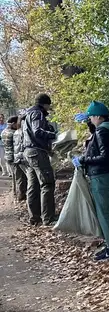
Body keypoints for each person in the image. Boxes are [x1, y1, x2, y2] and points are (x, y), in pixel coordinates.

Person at [73, 101, 109, 261]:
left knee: (104, 213)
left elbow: (104, 156)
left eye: (91, 117)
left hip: (100, 175)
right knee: (108, 211)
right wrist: (88, 120)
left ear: (99, 117)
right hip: (107, 174)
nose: (90, 119)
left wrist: (84, 159)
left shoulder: (102, 131)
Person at [22, 93, 57, 225]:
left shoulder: (26, 116)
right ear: (45, 104)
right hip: (37, 152)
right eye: (48, 105)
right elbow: (38, 131)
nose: (48, 109)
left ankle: (34, 218)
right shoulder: (37, 113)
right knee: (47, 184)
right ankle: (48, 218)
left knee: (33, 185)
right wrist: (54, 135)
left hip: (28, 152)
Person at [2, 116, 25, 201]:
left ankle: (15, 194)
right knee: (19, 178)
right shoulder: (14, 133)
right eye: (17, 123)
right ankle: (19, 196)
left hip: (8, 156)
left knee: (14, 177)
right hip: (14, 157)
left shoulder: (4, 132)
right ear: (13, 123)